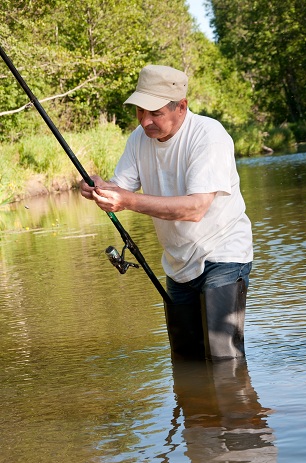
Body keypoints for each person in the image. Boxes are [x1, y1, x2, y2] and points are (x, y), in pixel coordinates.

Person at [80, 65, 253, 360]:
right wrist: (99, 187)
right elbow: (120, 186)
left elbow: (196, 208)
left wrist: (128, 201)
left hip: (223, 254)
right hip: (178, 262)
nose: (145, 121)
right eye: (139, 111)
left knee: (222, 355)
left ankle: (236, 406)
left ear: (181, 106)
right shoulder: (138, 139)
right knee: (186, 358)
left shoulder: (209, 136)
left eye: (155, 113)